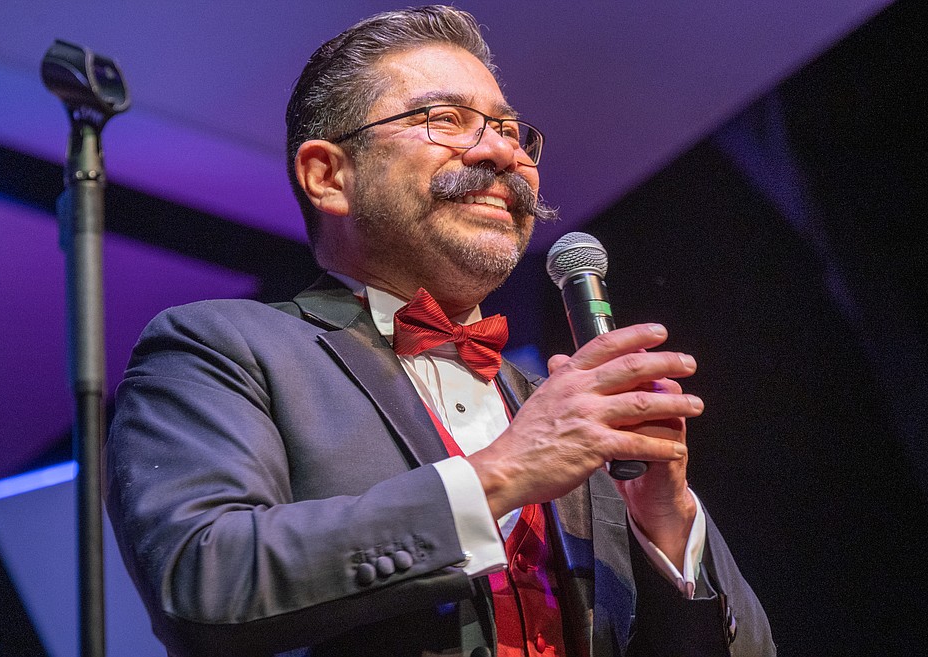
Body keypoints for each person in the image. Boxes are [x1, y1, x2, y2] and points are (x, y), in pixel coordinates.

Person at [106, 6, 774, 656]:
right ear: (328, 175)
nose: (501, 152)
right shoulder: (220, 348)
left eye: (513, 132)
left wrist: (667, 527)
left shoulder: (569, 413)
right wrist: (505, 471)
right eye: (447, 119)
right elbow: (202, 582)